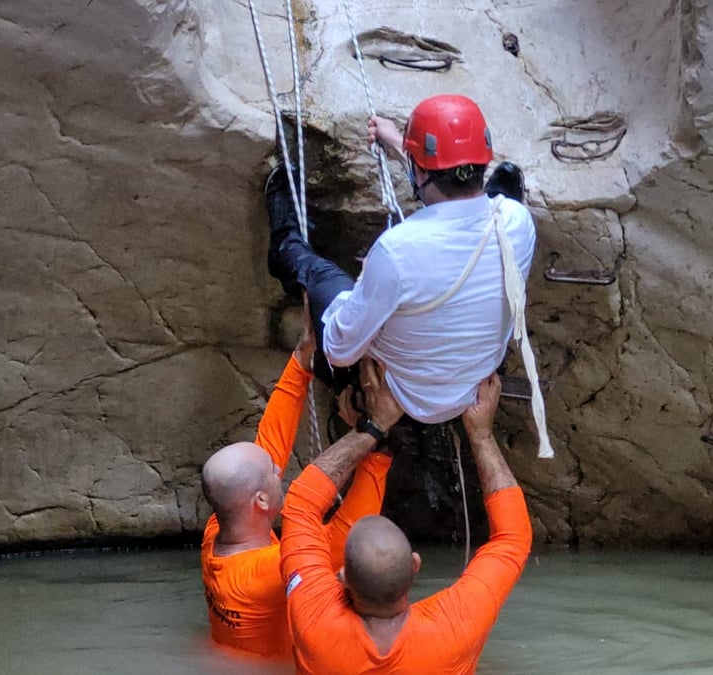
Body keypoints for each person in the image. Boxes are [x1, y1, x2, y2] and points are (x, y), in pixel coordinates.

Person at [265, 94, 537, 432]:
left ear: (419, 171)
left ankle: (285, 245)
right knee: (499, 200)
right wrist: (400, 144)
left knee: (323, 276)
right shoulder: (517, 220)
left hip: (407, 394)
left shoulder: (397, 251)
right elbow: (462, 191)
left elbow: (339, 350)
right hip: (472, 383)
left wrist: (362, 289)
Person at [281, 371, 533, 673]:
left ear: (343, 576)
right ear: (415, 564)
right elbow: (513, 538)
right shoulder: (455, 628)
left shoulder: (313, 622)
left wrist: (373, 427)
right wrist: (481, 435)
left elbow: (300, 505)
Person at [199, 316, 396, 659]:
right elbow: (343, 536)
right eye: (273, 473)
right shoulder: (266, 571)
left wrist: (301, 361)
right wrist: (375, 444)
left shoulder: (220, 528)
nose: (279, 467)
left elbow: (268, 446)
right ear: (260, 500)